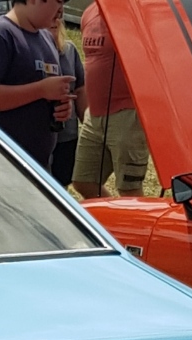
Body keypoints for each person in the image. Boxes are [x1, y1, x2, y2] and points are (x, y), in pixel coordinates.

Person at [0, 0, 76, 169]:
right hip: (0, 167)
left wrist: (62, 108)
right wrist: (41, 90)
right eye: (58, 2)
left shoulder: (47, 38)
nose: (61, 11)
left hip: (38, 168)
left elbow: (46, 91)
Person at [72, 0, 149, 197]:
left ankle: (132, 225)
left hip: (127, 114)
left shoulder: (132, 10)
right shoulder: (89, 13)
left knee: (129, 189)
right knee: (83, 182)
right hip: (94, 115)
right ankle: (111, 225)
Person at [48, 7, 85, 186]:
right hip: (40, 134)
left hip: (67, 134)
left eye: (57, 19)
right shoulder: (29, 50)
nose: (53, 22)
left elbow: (80, 90)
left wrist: (89, 127)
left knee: (62, 186)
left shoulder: (69, 50)